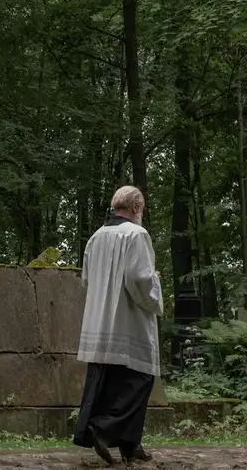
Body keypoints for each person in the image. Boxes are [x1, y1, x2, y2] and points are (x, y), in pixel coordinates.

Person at [72, 185, 163, 465]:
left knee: (108, 378)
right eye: (142, 209)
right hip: (128, 320)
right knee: (139, 379)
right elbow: (139, 278)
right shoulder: (137, 234)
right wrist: (156, 286)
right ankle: (102, 427)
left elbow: (87, 280)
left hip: (100, 321)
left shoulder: (95, 237)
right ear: (135, 208)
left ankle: (130, 444)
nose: (142, 214)